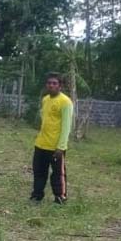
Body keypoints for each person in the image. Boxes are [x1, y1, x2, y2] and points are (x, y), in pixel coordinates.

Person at [31, 73, 73, 204]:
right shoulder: (45, 99)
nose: (51, 85)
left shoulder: (65, 102)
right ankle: (37, 195)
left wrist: (61, 146)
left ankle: (60, 197)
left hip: (56, 146)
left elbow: (66, 126)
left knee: (58, 174)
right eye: (49, 83)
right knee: (39, 172)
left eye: (54, 83)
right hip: (41, 143)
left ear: (60, 86)